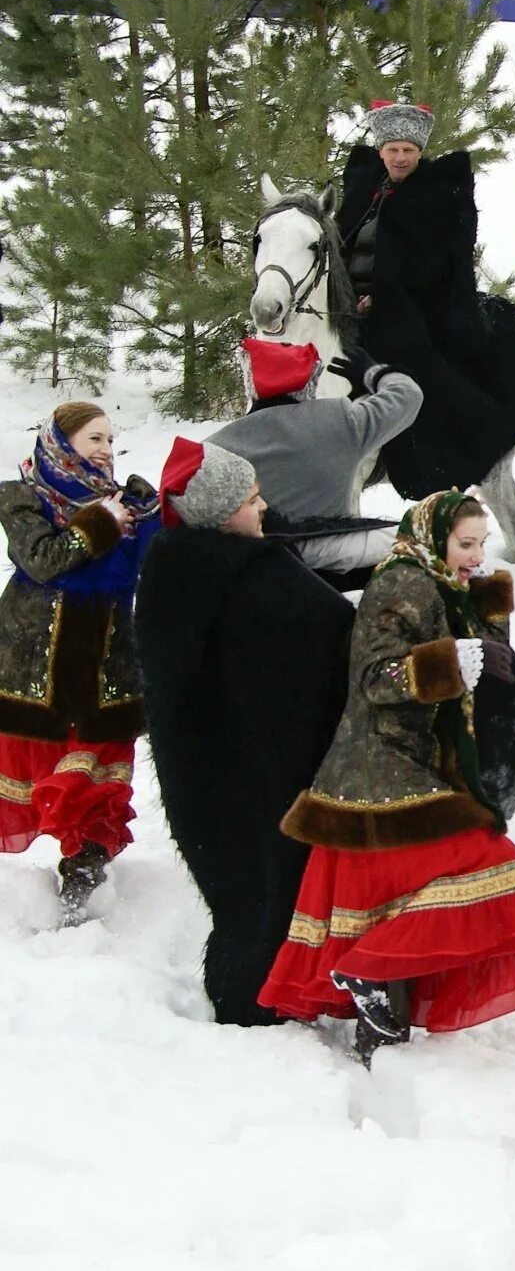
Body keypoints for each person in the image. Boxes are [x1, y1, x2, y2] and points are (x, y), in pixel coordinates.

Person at [259, 491, 515, 1063]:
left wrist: (487, 614)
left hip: (419, 763)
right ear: (435, 537)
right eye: (466, 544)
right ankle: (367, 981)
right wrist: (455, 660)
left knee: (397, 902)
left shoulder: (443, 581)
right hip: (382, 766)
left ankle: (380, 1036)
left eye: (481, 544)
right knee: (483, 862)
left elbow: (480, 683)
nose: (476, 556)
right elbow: (376, 679)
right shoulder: (401, 582)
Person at [136, 438, 355, 1023]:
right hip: (263, 773)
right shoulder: (250, 574)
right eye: (252, 499)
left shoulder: (170, 571)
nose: (264, 509)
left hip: (205, 777)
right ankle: (265, 1005)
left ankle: (251, 995)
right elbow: (336, 632)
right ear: (218, 510)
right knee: (271, 888)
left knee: (242, 894)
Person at [334, 99, 515, 499]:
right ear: (381, 152)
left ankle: (418, 457)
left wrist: (384, 298)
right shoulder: (364, 193)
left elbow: (437, 263)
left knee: (414, 363)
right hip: (347, 305)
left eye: (409, 151)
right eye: (393, 150)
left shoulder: (439, 195)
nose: (401, 158)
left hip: (409, 307)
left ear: (419, 153)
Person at [0, 403, 159, 919]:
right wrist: (100, 522)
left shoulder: (123, 505)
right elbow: (44, 560)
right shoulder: (23, 499)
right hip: (36, 667)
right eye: (94, 438)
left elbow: (151, 568)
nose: (106, 451)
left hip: (104, 667)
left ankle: (83, 868)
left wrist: (150, 518)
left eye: (111, 441)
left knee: (95, 774)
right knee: (39, 769)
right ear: (60, 442)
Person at [208, 336, 422, 581]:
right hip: (340, 565)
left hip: (254, 570)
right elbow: (408, 395)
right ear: (309, 383)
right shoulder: (342, 420)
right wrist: (373, 374)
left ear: (250, 385)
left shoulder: (214, 447)